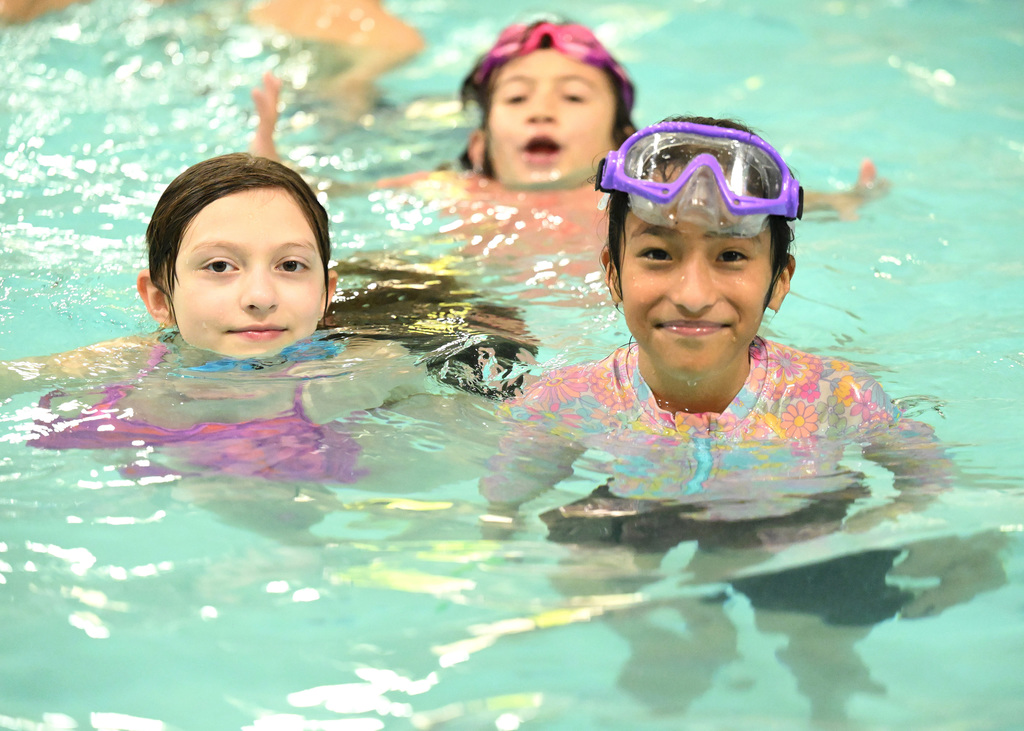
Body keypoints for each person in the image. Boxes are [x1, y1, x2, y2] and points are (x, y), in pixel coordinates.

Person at [0, 153, 426, 486]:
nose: (260, 297)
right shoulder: (119, 367)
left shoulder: (369, 371)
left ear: (326, 293)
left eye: (291, 266)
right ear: (159, 298)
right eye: (220, 267)